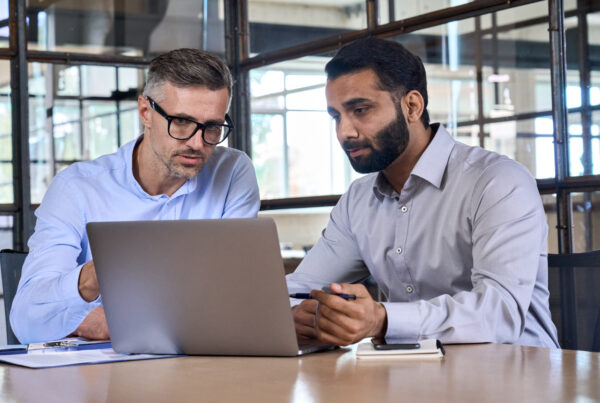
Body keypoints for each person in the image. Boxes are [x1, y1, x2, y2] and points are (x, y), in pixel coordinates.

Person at [287, 37, 559, 348]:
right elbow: (299, 288)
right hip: (417, 379)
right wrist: (296, 314)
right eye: (336, 117)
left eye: (360, 110)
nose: (345, 132)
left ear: (412, 106)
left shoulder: (497, 182)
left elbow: (499, 314)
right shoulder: (358, 200)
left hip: (521, 380)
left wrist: (383, 319)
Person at [11, 48, 260, 343]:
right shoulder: (76, 189)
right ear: (145, 112)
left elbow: (233, 301)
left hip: (199, 367)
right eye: (181, 121)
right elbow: (25, 320)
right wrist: (92, 278)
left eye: (212, 127)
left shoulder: (232, 172)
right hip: (100, 378)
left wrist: (123, 321)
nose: (197, 142)